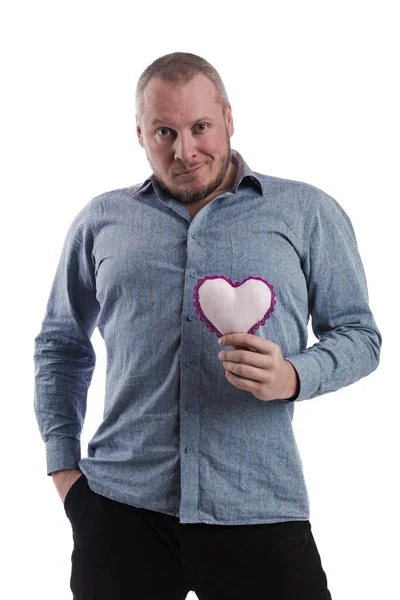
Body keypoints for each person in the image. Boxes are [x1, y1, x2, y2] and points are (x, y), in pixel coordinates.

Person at [33, 51, 382, 600]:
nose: (185, 151)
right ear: (140, 135)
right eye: (164, 132)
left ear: (228, 119)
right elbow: (61, 345)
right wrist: (63, 470)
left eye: (200, 127)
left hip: (259, 505)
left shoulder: (306, 212)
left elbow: (360, 335)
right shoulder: (101, 221)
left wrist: (294, 374)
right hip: (120, 511)